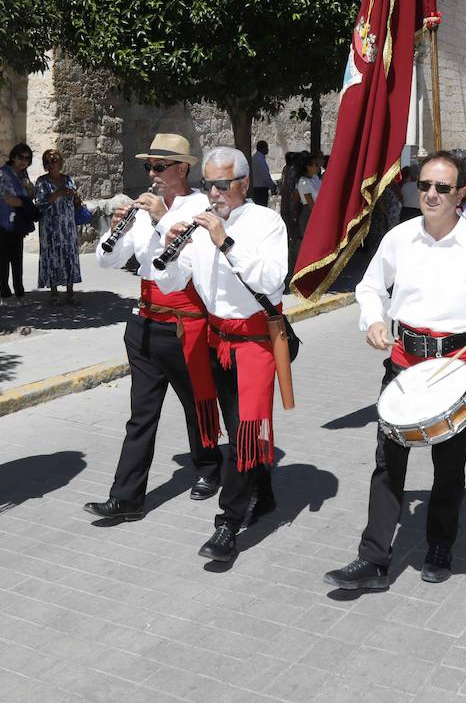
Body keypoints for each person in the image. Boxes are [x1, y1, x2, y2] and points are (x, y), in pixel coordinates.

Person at [325, 150, 466, 591]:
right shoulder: (399, 237)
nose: (429, 194)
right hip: (403, 361)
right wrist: (373, 319)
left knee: (447, 468)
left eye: (441, 188)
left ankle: (439, 546)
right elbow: (371, 286)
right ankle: (372, 558)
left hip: (454, 367)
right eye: (423, 185)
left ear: (459, 192)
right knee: (387, 464)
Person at [144, 147, 287, 563]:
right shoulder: (198, 223)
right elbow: (172, 281)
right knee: (237, 426)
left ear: (243, 183)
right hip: (216, 340)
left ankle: (227, 523)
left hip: (255, 341)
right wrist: (168, 244)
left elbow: (272, 279)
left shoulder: (266, 223)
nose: (214, 193)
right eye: (209, 184)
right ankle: (266, 491)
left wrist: (225, 241)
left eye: (223, 185)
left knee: (244, 431)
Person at [85, 134, 224, 523]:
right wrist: (113, 231)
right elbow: (109, 262)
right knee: (141, 413)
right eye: (149, 167)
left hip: (185, 322)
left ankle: (209, 465)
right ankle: (126, 496)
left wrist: (163, 219)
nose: (152, 173)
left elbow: (189, 266)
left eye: (159, 167)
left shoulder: (200, 208)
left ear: (183, 168)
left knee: (197, 401)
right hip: (144, 321)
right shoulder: (145, 207)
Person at [0, 143, 35, 305]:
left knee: (17, 257)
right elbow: (6, 198)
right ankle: (5, 296)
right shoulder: (3, 173)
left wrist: (28, 189)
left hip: (16, 221)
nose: (24, 161)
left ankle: (20, 293)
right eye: (21, 157)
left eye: (27, 158)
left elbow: (30, 194)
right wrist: (25, 204)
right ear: (13, 157)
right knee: (2, 259)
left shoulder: (23, 174)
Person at [33, 149, 84, 305]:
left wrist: (75, 197)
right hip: (50, 226)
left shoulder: (68, 179)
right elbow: (40, 204)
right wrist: (57, 194)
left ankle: (70, 291)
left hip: (67, 225)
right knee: (52, 257)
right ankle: (54, 292)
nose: (51, 164)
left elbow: (76, 203)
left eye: (54, 160)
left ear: (61, 162)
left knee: (69, 256)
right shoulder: (42, 182)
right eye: (47, 161)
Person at [295, 151, 322, 236]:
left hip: (318, 209)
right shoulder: (304, 182)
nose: (318, 167)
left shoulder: (315, 178)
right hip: (310, 212)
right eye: (316, 165)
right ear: (308, 167)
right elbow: (310, 203)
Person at [249, 141, 275, 208]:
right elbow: (266, 176)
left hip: (256, 188)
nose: (267, 149)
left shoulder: (255, 158)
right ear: (262, 148)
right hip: (261, 190)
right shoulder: (260, 160)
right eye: (266, 147)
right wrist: (272, 186)